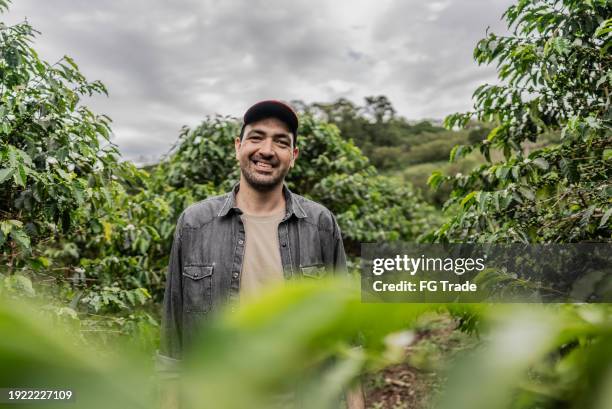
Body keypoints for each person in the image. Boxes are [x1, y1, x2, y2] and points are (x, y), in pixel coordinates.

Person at [158, 100, 365, 408]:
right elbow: (173, 334)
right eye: (256, 137)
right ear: (238, 146)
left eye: (281, 142)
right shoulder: (195, 223)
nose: (267, 150)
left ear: (292, 157)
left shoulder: (320, 224)